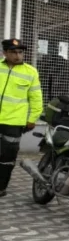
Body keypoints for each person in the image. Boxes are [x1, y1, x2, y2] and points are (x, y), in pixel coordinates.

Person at [0, 39, 43, 198]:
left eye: (20, 52)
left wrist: (32, 119)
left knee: (7, 157)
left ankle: (1, 187)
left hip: (14, 122)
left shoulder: (30, 72)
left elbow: (36, 98)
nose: (18, 56)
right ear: (5, 53)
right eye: (13, 52)